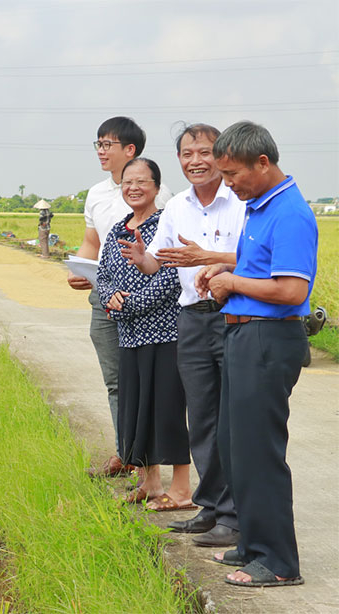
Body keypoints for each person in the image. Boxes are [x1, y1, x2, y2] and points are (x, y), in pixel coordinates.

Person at [195, 121, 316, 588]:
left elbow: (290, 289)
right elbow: (258, 267)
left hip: (269, 339)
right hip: (244, 336)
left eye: (232, 175)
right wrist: (225, 268)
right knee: (234, 445)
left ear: (262, 163)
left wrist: (230, 282)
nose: (228, 185)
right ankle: (252, 544)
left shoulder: (290, 213)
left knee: (259, 451)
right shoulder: (259, 207)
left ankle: (278, 562)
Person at [118, 124, 245, 546]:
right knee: (203, 419)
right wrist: (142, 259)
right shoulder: (176, 209)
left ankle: (237, 514)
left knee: (234, 418)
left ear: (223, 155)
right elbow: (160, 264)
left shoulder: (240, 202)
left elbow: (259, 257)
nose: (196, 160)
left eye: (205, 152)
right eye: (187, 153)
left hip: (235, 317)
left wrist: (212, 258)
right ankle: (211, 509)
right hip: (191, 319)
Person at [69, 117, 173, 477]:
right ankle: (124, 450)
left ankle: (148, 462)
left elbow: (168, 257)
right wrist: (80, 270)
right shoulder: (97, 194)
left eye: (107, 144)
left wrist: (137, 298)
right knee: (116, 380)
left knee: (150, 383)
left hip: (151, 305)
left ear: (130, 150)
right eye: (97, 144)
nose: (100, 150)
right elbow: (92, 242)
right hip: (106, 298)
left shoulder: (164, 196)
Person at [97, 157, 190, 509]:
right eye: (127, 182)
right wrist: (110, 297)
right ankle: (148, 482)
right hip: (129, 334)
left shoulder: (165, 223)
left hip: (164, 331)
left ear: (156, 186)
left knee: (168, 407)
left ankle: (181, 487)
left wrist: (129, 303)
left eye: (141, 182)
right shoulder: (118, 229)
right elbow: (103, 276)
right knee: (136, 408)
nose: (133, 188)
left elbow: (169, 277)